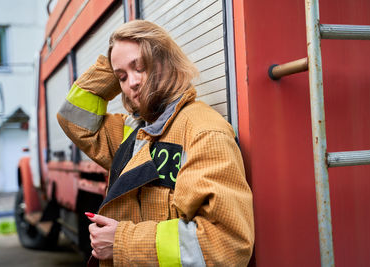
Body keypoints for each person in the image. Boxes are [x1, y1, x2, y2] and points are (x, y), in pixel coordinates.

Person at [58, 20, 254, 266]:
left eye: (139, 67)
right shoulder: (136, 132)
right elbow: (72, 116)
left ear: (165, 61)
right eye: (122, 77)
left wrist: (121, 242)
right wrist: (115, 58)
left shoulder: (204, 132)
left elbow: (226, 245)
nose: (132, 83)